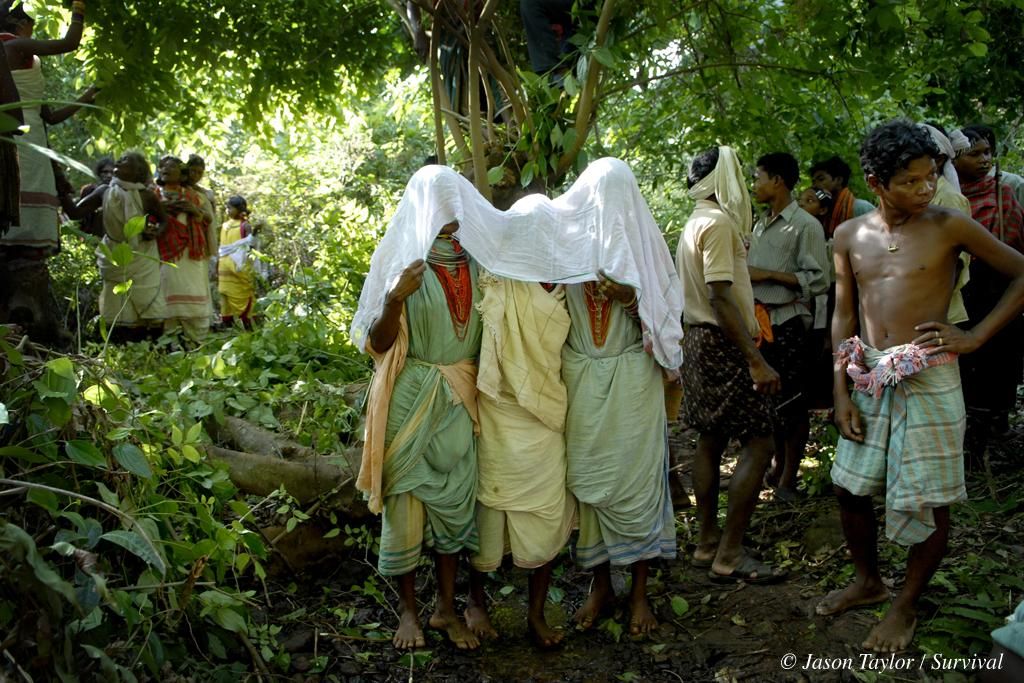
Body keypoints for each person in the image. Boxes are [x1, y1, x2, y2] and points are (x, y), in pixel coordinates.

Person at [818, 119, 1024, 652]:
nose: (925, 189)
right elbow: (843, 316)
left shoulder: (949, 225)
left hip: (931, 373)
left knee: (929, 497)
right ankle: (867, 581)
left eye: (930, 176)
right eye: (910, 181)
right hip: (868, 373)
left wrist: (975, 335)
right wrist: (841, 391)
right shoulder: (847, 236)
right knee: (848, 486)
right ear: (875, 182)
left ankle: (905, 605)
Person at [677, 146, 785, 584]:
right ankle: (730, 552)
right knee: (761, 442)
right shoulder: (718, 224)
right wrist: (755, 360)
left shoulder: (696, 221)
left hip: (700, 339)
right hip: (722, 341)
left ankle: (707, 544)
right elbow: (720, 294)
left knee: (710, 437)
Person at [465, 272, 575, 648]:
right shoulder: (498, 275)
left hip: (546, 411)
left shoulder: (568, 279)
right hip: (499, 407)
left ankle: (536, 614)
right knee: (488, 509)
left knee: (546, 509)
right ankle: (475, 602)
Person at [0, 0, 97, 342]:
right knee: (17, 222)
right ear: (17, 22)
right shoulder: (12, 44)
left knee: (21, 235)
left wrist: (90, 93)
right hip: (19, 146)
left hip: (34, 146)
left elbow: (49, 116)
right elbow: (70, 43)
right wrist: (79, 9)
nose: (33, 27)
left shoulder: (25, 57)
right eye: (30, 20)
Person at [749, 152, 829, 501]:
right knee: (771, 401)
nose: (755, 185)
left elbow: (819, 279)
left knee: (793, 403)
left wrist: (767, 275)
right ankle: (776, 466)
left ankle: (787, 480)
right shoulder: (760, 223)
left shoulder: (805, 226)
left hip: (789, 323)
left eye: (758, 178)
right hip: (760, 325)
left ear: (777, 181)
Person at [953, 126, 1024, 459]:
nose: (984, 160)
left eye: (987, 153)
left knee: (1000, 357)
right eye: (974, 154)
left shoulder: (1005, 191)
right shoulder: (947, 198)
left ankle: (997, 429)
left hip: (998, 284)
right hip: (962, 289)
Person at [90, 152, 167, 341]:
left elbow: (164, 220)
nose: (118, 161)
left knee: (148, 300)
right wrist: (58, 183)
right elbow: (75, 212)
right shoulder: (104, 191)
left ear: (137, 171)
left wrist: (155, 231)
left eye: (125, 161)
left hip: (143, 255)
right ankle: (118, 343)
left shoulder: (146, 195)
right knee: (116, 302)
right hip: (115, 253)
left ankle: (151, 345)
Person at [156, 155, 214, 343]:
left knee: (194, 291)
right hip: (163, 252)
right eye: (163, 166)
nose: (165, 169)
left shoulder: (196, 196)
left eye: (171, 166)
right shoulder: (153, 194)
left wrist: (193, 210)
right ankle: (169, 342)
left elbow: (208, 219)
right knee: (166, 293)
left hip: (192, 253)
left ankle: (197, 340)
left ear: (181, 174)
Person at [810, 155, 875, 237]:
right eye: (813, 182)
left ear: (838, 180)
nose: (814, 186)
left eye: (821, 179)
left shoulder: (862, 209)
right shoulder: (820, 213)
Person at [217, 195, 256, 329]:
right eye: (227, 208)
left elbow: (250, 246)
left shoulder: (245, 225)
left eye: (230, 208)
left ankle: (249, 326)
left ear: (239, 209)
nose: (228, 210)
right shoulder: (224, 225)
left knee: (241, 295)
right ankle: (228, 325)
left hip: (238, 267)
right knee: (225, 294)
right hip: (223, 267)